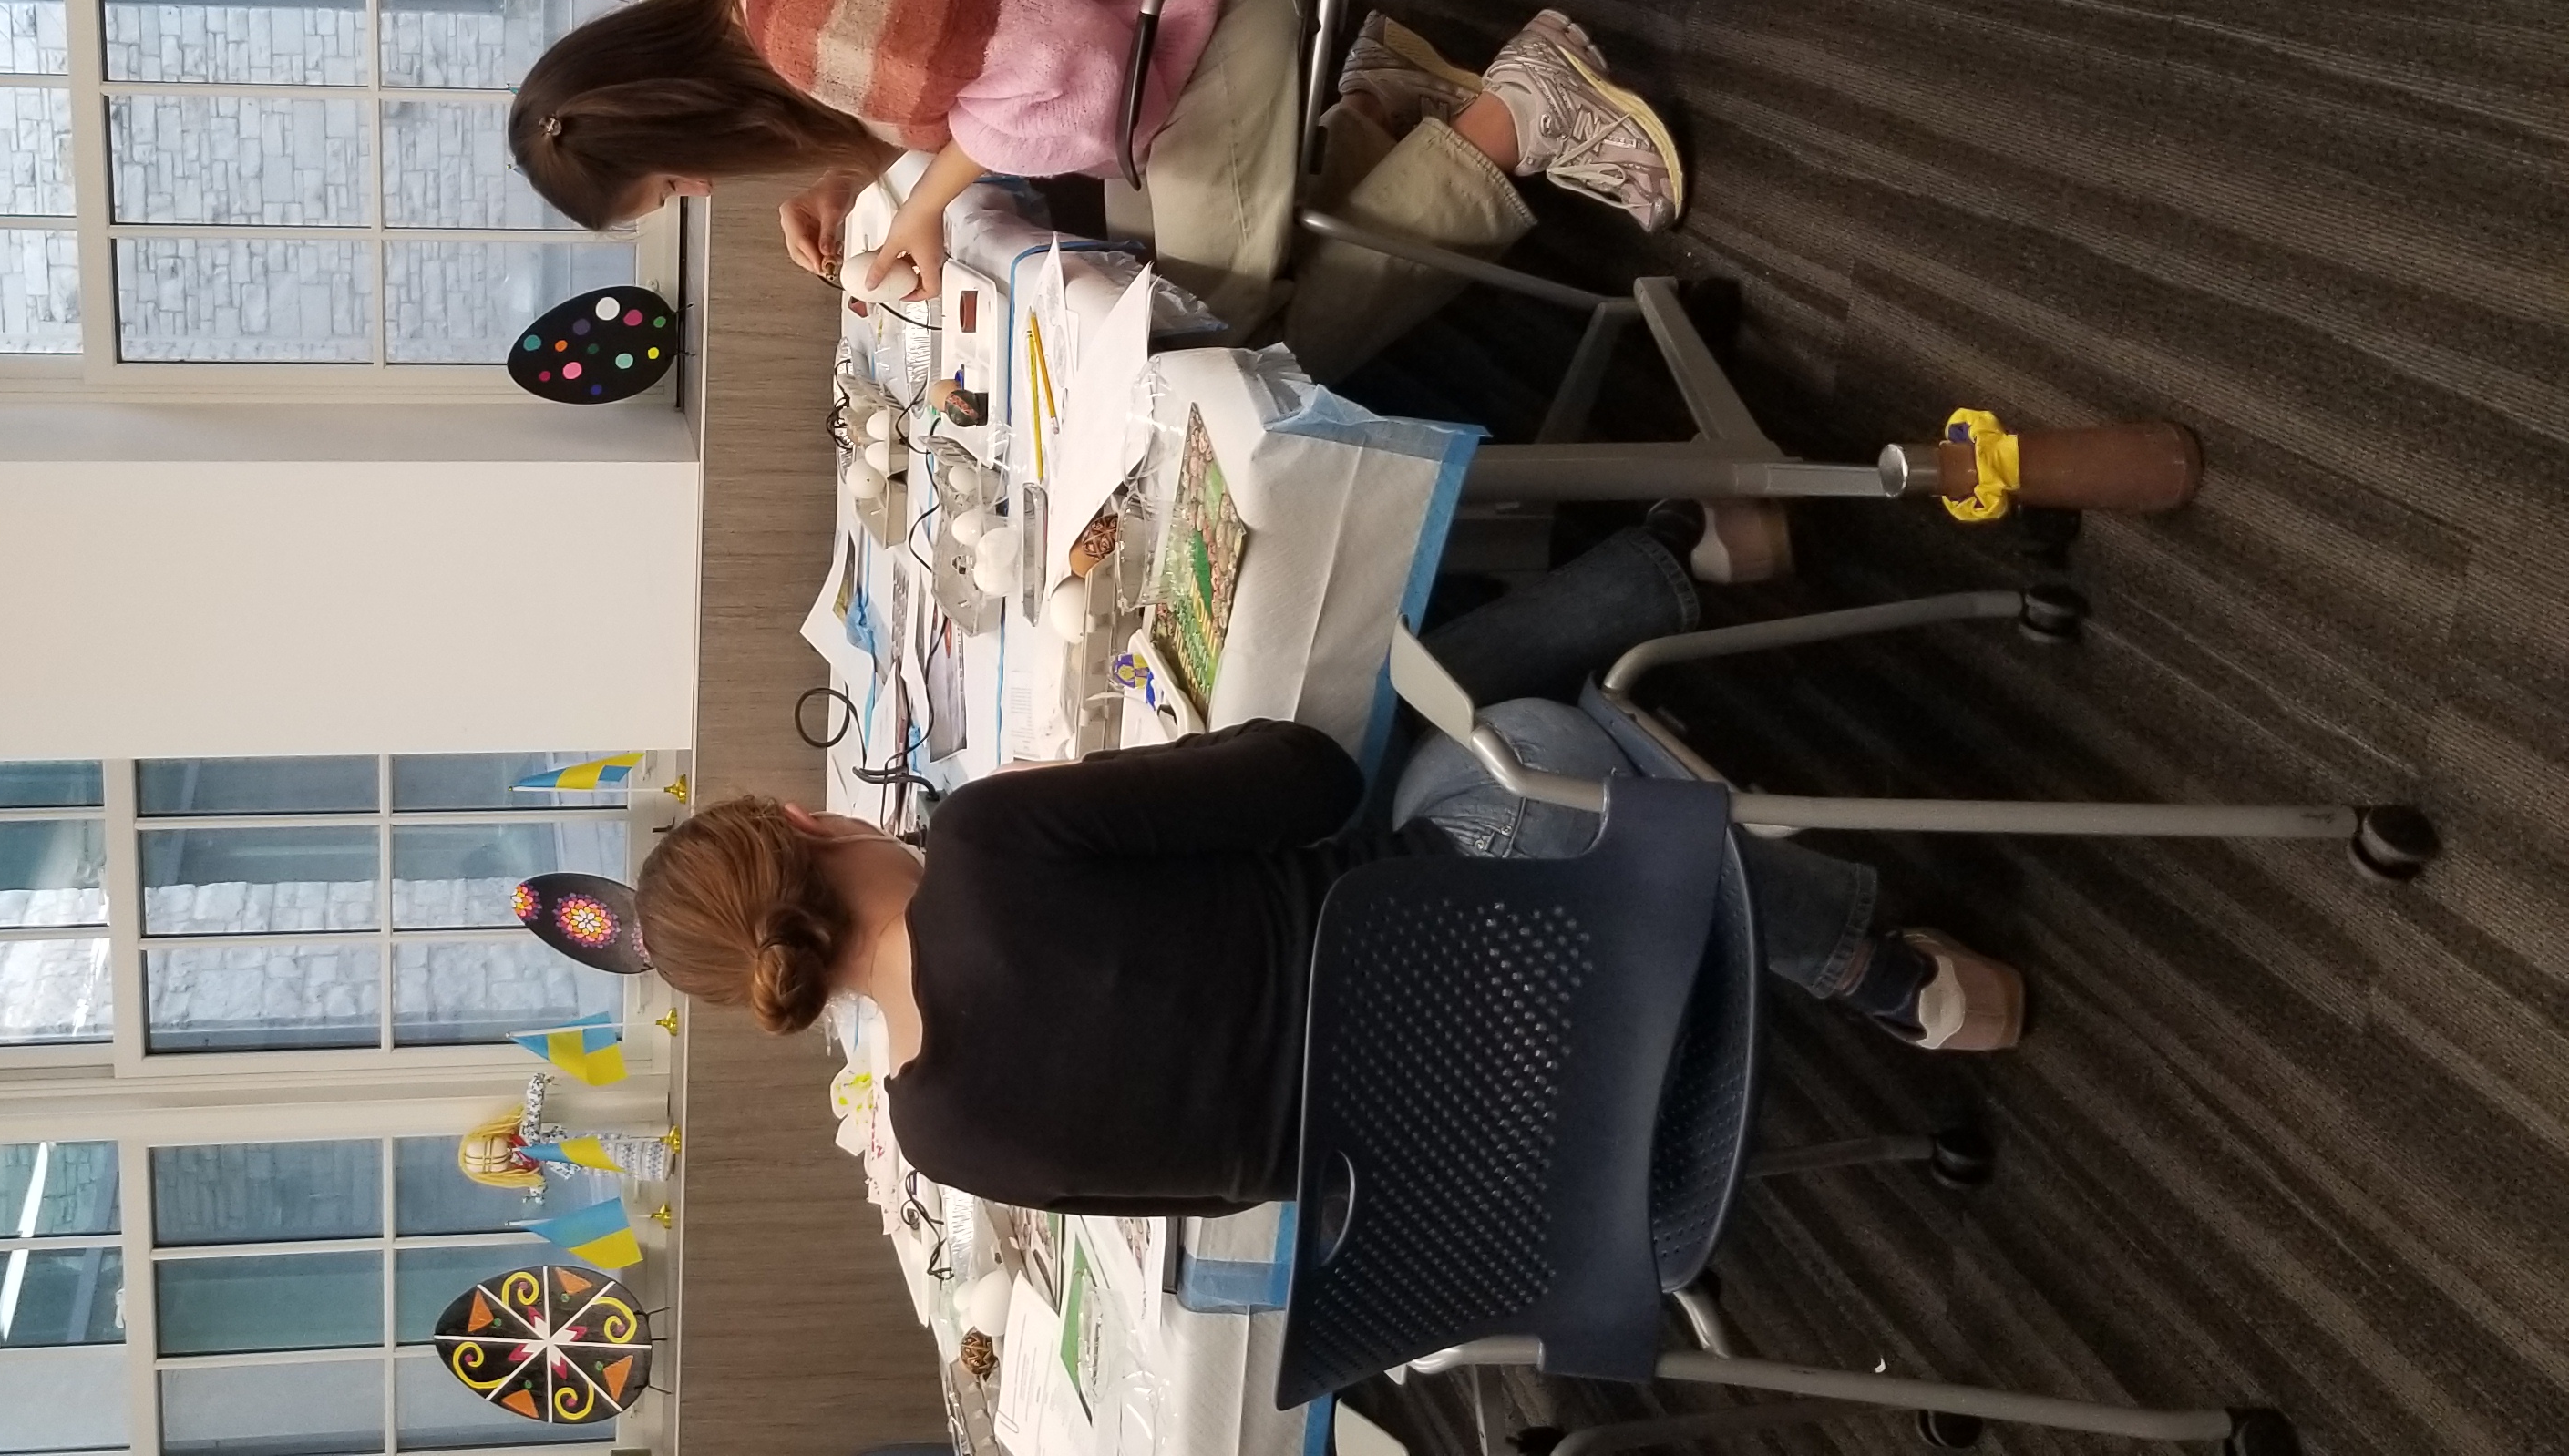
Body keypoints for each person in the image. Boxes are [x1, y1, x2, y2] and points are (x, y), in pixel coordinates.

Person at [631, 520, 2024, 1218]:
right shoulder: (989, 842)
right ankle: (1868, 961)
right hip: (1492, 940)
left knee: (1440, 759)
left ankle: (1671, 562)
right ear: (809, 827)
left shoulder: (935, 1143)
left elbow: (1233, 1186)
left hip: (1515, 1180)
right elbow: (1311, 777)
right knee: (1476, 736)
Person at [507, 0, 1684, 324]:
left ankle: (1517, 115)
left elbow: (1070, 72)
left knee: (1223, 331)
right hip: (1163, 6)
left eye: (671, 181)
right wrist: (858, 175)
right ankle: (1386, 108)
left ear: (669, 126)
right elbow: (955, 64)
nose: (700, 192)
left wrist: (922, 201)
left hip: (1196, 17)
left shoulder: (803, 25)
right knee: (1139, 277)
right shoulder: (763, 4)